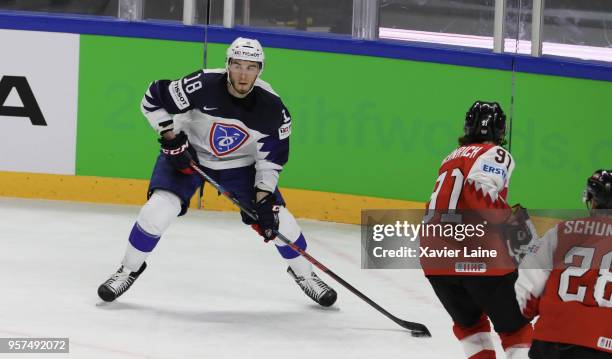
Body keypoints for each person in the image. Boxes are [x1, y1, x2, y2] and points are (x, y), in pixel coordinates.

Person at [97, 37, 337, 308]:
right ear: (227, 65)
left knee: (283, 222)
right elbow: (152, 97)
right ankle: (127, 270)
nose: (243, 74)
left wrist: (263, 199)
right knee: (157, 211)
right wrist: (170, 136)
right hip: (188, 155)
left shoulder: (273, 109)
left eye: (251, 67)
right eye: (237, 65)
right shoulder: (201, 84)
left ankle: (305, 275)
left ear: (260, 70)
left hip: (239, 166)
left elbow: (270, 161)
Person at [421, 101, 533, 358]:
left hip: (435, 259)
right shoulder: (496, 153)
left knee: (472, 328)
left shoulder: (452, 156)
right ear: (501, 130)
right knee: (516, 330)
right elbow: (480, 192)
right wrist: (510, 219)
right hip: (479, 255)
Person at [515, 169, 612, 359]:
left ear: (593, 201)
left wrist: (529, 312)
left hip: (549, 341)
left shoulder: (560, 231)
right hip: (602, 346)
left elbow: (528, 284)